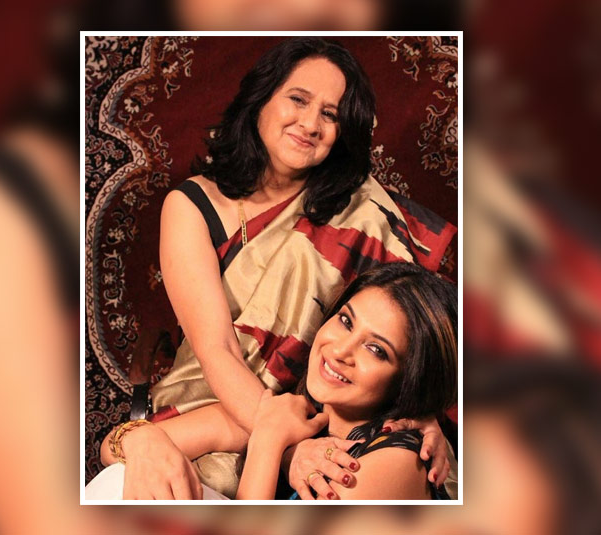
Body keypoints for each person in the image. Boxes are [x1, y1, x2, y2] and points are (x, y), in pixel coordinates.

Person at [99, 37, 457, 499]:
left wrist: (424, 414)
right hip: (219, 415)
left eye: (330, 114)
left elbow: (413, 329)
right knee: (121, 482)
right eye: (298, 99)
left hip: (316, 425)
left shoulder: (362, 210)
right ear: (262, 98)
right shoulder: (192, 205)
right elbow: (219, 351)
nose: (310, 124)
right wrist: (289, 446)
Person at [92, 263, 457, 500]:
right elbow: (110, 449)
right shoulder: (288, 413)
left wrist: (268, 441)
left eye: (376, 350)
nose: (340, 350)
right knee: (120, 481)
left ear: (409, 379)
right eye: (346, 321)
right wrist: (145, 441)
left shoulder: (396, 461)